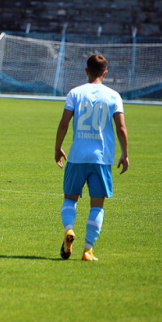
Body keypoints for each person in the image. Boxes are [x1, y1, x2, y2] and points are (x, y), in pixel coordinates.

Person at [54, 54, 129, 261]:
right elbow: (121, 128)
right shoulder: (114, 96)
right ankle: (87, 250)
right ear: (105, 73)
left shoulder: (75, 93)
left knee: (70, 199)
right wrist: (125, 154)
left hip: (77, 157)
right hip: (101, 159)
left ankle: (69, 229)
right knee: (97, 205)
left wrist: (58, 148)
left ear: (86, 70)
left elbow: (63, 124)